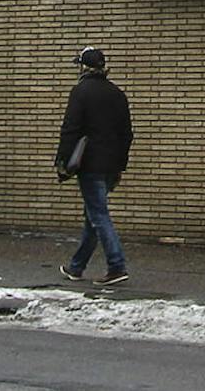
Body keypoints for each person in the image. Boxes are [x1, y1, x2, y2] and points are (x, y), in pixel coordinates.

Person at [54, 45, 133, 285]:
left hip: (90, 165)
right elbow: (127, 134)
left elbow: (71, 129)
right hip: (111, 166)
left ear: (83, 67)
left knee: (99, 215)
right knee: (92, 215)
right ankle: (76, 267)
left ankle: (116, 266)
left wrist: (62, 161)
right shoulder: (117, 93)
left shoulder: (81, 92)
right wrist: (121, 165)